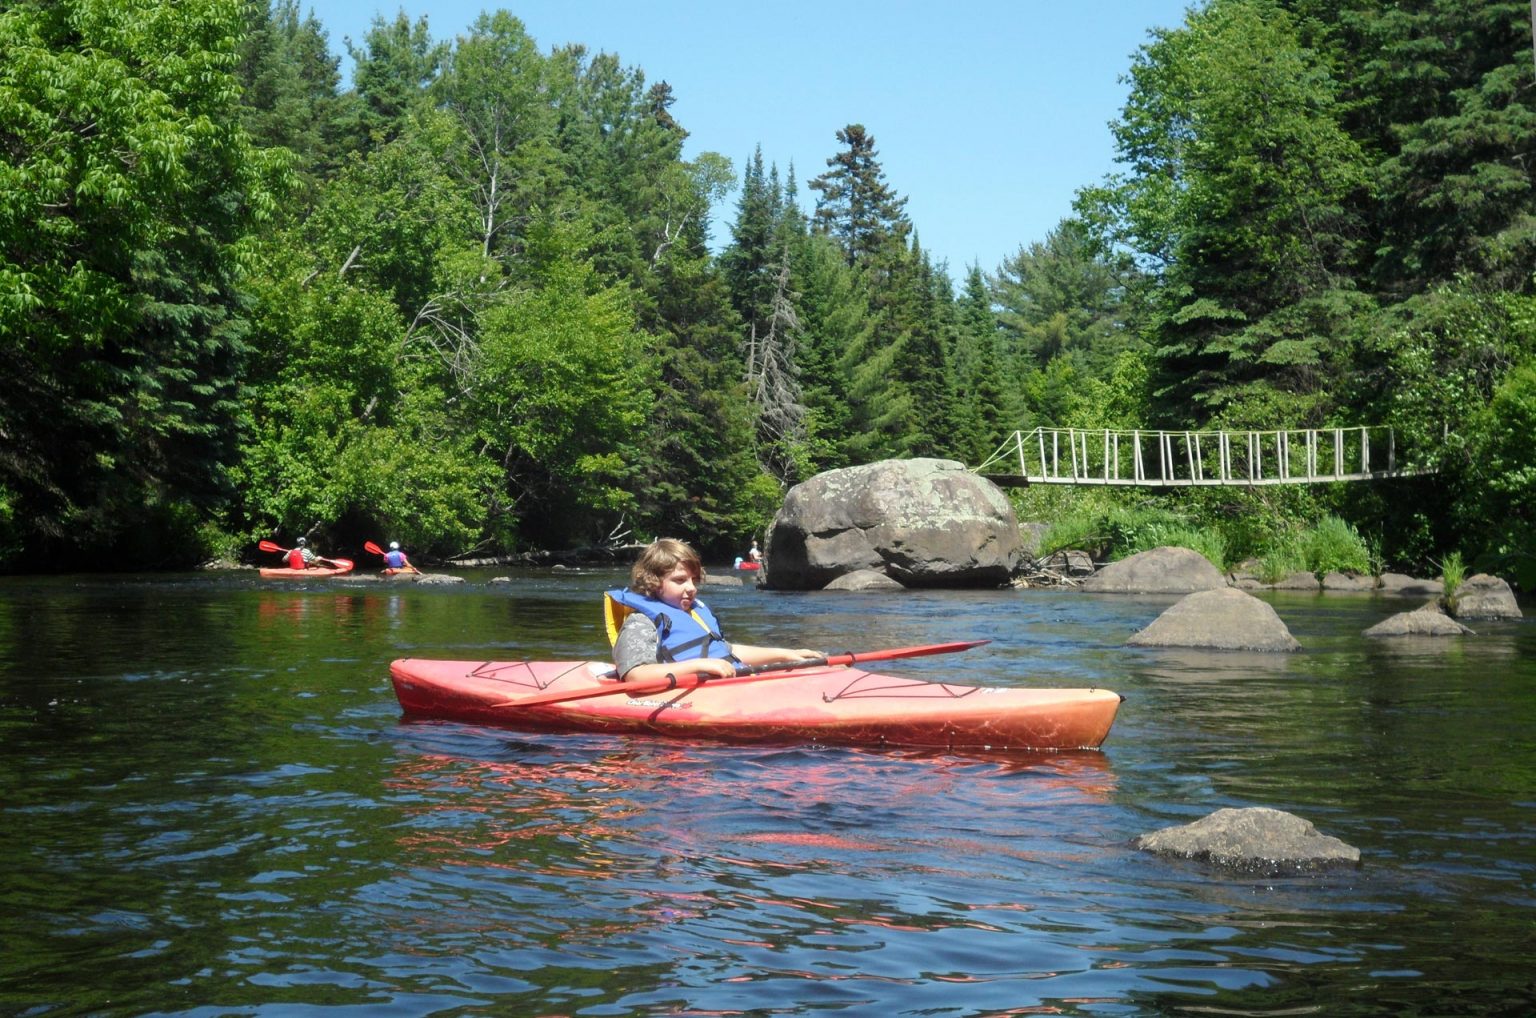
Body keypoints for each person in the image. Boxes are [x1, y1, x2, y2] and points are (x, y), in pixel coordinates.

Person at [605, 538, 818, 684]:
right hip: (694, 695)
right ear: (653, 581)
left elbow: (727, 650)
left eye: (694, 580)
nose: (691, 588)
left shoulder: (695, 612)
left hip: (730, 686)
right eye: (680, 580)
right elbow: (636, 675)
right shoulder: (641, 622)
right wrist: (700, 665)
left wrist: (784, 655)